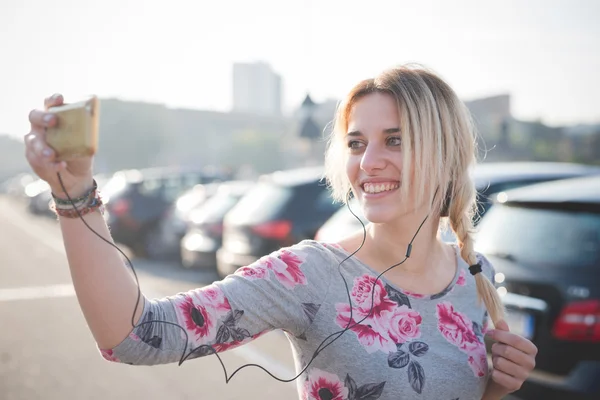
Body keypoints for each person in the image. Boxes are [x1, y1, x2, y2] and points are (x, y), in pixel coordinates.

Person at [24, 65, 537, 400]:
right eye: (357, 143)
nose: (369, 162)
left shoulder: (477, 277)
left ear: (445, 153)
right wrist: (75, 197)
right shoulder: (310, 272)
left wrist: (496, 387)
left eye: (395, 140)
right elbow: (135, 336)